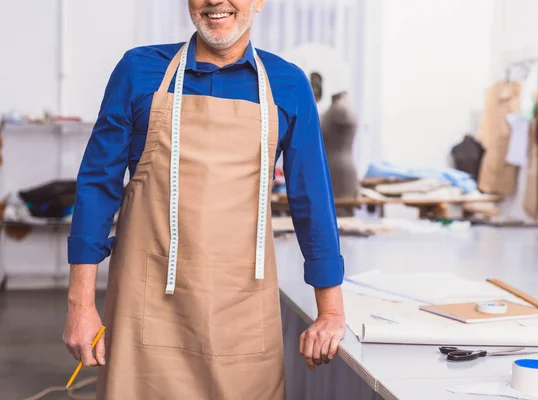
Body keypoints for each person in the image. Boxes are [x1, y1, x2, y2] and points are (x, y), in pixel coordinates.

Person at [62, 0, 346, 398]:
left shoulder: (288, 84)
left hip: (244, 315)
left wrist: (331, 311)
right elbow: (97, 186)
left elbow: (311, 201)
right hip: (147, 310)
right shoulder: (139, 71)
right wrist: (80, 304)